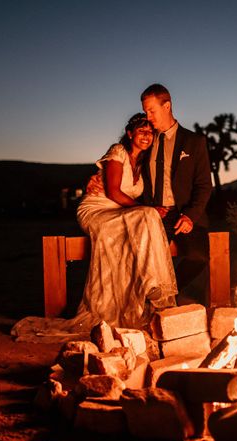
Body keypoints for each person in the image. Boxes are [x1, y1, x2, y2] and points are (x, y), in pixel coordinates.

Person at [11, 113, 177, 342]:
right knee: (148, 214)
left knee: (146, 219)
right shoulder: (118, 151)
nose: (147, 136)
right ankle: (152, 284)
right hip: (97, 209)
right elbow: (113, 192)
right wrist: (146, 209)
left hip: (121, 212)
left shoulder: (144, 164)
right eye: (141, 131)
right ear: (130, 134)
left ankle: (151, 287)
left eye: (150, 132)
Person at [140, 84, 213, 303]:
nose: (148, 116)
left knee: (198, 257)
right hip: (153, 213)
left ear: (167, 106)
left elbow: (203, 185)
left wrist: (190, 216)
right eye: (145, 112)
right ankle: (144, 301)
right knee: (144, 259)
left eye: (151, 111)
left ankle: (167, 293)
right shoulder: (146, 139)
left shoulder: (194, 142)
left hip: (183, 213)